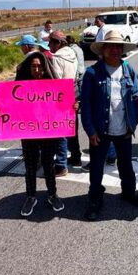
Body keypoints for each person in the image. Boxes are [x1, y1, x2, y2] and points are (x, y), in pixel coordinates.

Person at [0, 51, 67, 217]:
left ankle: (52, 194)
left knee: (48, 164)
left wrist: (72, 107)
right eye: (33, 66)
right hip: (28, 132)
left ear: (45, 68)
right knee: (30, 166)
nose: (37, 69)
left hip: (49, 131)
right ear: (28, 68)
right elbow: (8, 108)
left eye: (40, 66)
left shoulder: (53, 85)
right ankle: (31, 196)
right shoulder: (20, 87)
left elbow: (63, 106)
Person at [81, 30, 138, 221]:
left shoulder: (128, 70)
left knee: (126, 165)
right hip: (101, 130)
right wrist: (90, 130)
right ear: (103, 49)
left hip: (123, 129)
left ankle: (128, 192)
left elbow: (135, 99)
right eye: (111, 46)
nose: (115, 50)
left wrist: (132, 125)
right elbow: (86, 104)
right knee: (97, 168)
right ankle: (95, 198)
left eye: (119, 46)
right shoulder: (92, 73)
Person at [48, 31, 78, 177]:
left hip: (61, 97)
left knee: (61, 132)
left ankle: (61, 165)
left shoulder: (57, 58)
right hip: (72, 93)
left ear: (58, 43)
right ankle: (76, 156)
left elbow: (57, 80)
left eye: (51, 43)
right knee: (72, 128)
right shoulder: (72, 54)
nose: (49, 46)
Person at [66, 35, 86, 167]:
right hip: (80, 77)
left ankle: (73, 155)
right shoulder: (78, 49)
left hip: (75, 80)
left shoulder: (69, 51)